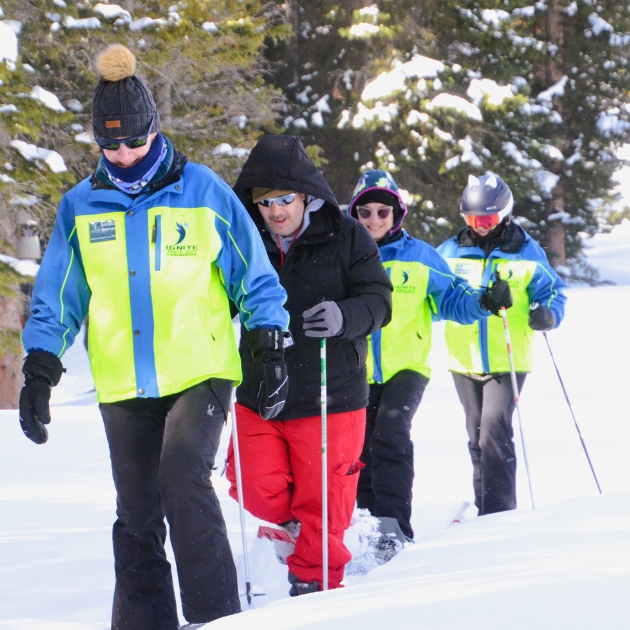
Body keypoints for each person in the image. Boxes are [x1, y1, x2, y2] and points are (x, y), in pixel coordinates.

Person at [18, 44, 290, 630]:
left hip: (201, 370)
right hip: (124, 382)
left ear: (154, 129)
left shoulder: (203, 191)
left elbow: (255, 276)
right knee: (137, 513)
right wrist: (40, 364)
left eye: (134, 141)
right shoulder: (81, 206)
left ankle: (217, 618)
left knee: (182, 479)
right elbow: (59, 295)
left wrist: (267, 340)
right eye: (110, 144)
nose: (123, 153)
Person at [225, 135, 393, 596]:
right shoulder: (244, 239)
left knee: (324, 500)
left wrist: (345, 317)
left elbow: (379, 300)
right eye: (264, 202)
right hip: (261, 388)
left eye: (284, 199)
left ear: (305, 195)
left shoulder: (347, 233)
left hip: (330, 389)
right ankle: (295, 528)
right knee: (253, 484)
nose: (276, 211)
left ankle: (313, 589)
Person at [348, 169, 513, 543]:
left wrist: (485, 300)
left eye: (382, 212)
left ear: (397, 214)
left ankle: (393, 532)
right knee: (357, 450)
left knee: (390, 437)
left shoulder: (420, 256)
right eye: (366, 212)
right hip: (354, 368)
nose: (374, 219)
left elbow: (453, 299)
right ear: (354, 214)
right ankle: (366, 528)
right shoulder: (343, 255)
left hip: (406, 367)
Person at [437, 173, 567, 516]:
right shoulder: (450, 251)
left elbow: (553, 290)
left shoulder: (524, 249)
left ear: (504, 214)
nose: (480, 226)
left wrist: (548, 314)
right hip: (462, 359)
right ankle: (485, 509)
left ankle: (499, 514)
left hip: (508, 356)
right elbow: (433, 295)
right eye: (472, 219)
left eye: (488, 219)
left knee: (494, 434)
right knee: (476, 437)